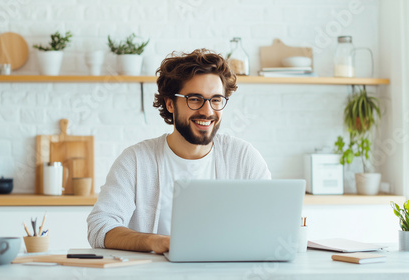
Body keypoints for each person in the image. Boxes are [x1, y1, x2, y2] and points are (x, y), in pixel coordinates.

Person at [87, 48, 271, 254]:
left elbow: (270, 223)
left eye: (216, 99)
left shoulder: (244, 158)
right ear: (170, 104)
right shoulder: (136, 160)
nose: (208, 111)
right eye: (194, 99)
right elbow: (100, 227)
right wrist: (155, 242)